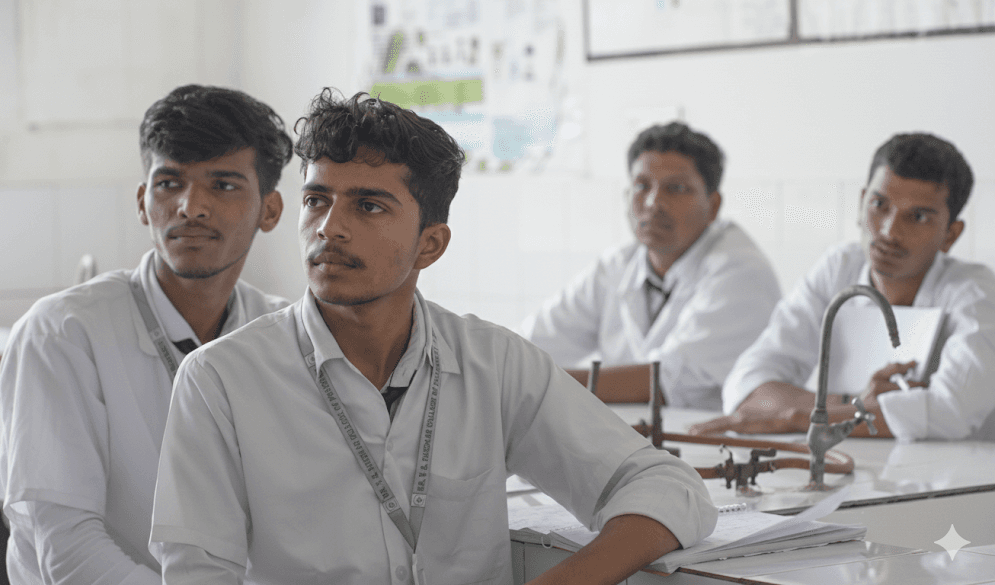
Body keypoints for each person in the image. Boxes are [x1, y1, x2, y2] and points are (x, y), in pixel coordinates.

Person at [149, 89, 716, 585]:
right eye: (317, 200)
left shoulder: (493, 363)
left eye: (368, 205)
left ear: (431, 244)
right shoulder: (221, 380)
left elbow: (668, 487)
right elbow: (198, 574)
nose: (330, 227)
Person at [0, 84, 294, 584]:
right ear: (142, 201)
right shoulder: (62, 334)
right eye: (169, 183)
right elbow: (66, 553)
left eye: (223, 185)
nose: (191, 207)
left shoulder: (283, 338)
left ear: (270, 210)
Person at [691, 132, 995, 441]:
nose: (889, 231)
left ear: (950, 235)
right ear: (861, 203)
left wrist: (797, 417)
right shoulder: (839, 268)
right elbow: (746, 386)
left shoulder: (976, 294)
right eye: (879, 204)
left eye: (917, 217)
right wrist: (853, 404)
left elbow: (951, 411)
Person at [520, 122, 780, 409]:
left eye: (676, 189)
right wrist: (509, 371)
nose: (654, 202)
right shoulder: (617, 266)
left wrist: (534, 383)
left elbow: (665, 382)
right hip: (630, 432)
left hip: (708, 434)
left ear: (713, 206)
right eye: (642, 186)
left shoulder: (740, 271)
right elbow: (530, 344)